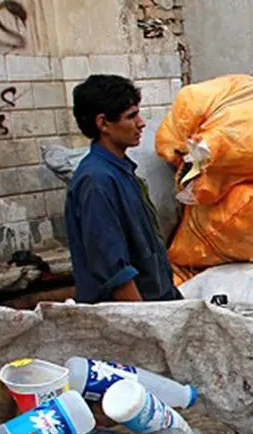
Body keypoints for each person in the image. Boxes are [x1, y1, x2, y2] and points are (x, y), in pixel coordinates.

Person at [65, 74, 181, 303]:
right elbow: (115, 272)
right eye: (131, 116)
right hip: (128, 313)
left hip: (155, 304)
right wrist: (143, 320)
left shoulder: (122, 171)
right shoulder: (97, 181)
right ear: (103, 124)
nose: (141, 123)